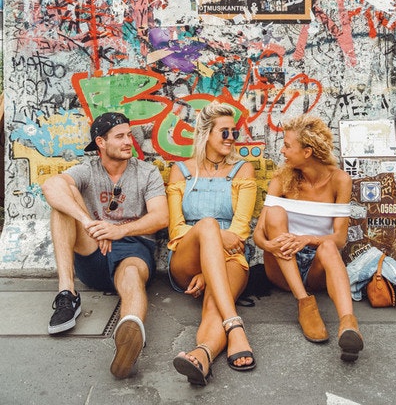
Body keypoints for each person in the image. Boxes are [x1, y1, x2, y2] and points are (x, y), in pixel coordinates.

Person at [42, 112, 169, 379]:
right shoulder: (88, 169)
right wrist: (89, 223)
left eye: (129, 135)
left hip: (133, 250)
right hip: (94, 249)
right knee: (63, 201)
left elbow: (160, 217)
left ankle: (129, 333)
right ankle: (67, 295)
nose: (129, 141)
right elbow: (51, 185)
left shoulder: (146, 172)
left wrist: (117, 230)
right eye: (120, 136)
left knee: (132, 276)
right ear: (100, 142)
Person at [253, 114, 364, 361]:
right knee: (275, 212)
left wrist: (308, 239)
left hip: (317, 268)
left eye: (287, 145)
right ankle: (304, 303)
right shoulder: (281, 179)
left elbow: (340, 239)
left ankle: (348, 323)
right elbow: (258, 234)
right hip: (282, 265)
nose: (281, 150)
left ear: (307, 152)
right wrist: (269, 245)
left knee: (327, 246)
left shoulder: (339, 180)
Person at [167, 101, 257, 385]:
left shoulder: (243, 171)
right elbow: (178, 230)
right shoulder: (181, 171)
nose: (232, 138)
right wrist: (209, 253)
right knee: (207, 224)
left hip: (229, 257)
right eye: (225, 133)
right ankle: (236, 326)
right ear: (206, 133)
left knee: (215, 303)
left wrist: (210, 270)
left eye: (235, 132)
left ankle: (202, 354)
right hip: (187, 257)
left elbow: (239, 233)